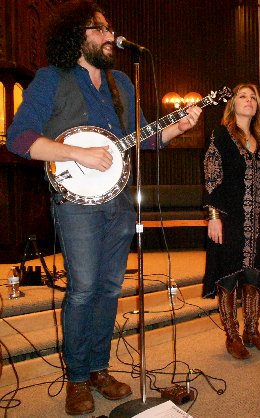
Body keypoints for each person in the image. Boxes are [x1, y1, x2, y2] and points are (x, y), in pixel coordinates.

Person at [6, 1, 201, 415]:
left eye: (109, 28)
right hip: (75, 203)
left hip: (121, 201)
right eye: (100, 29)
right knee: (83, 290)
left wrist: (175, 128)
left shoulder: (121, 84)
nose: (110, 36)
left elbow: (144, 139)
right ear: (78, 35)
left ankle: (98, 367)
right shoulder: (52, 79)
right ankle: (76, 377)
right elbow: (18, 138)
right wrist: (74, 153)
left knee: (111, 289)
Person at [202, 83, 260, 360]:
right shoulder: (221, 136)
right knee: (228, 275)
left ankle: (252, 331)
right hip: (228, 218)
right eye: (242, 97)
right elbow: (212, 176)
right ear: (233, 104)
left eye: (253, 98)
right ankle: (233, 336)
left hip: (255, 219)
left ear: (257, 107)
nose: (248, 101)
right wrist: (213, 216)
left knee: (253, 274)